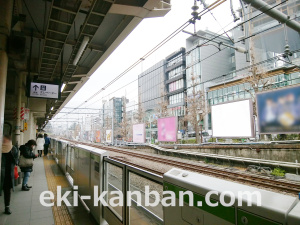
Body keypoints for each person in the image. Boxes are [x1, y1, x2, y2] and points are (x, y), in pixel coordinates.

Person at [0, 135, 19, 214]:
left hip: (8, 174)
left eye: (6, 140)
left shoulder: (13, 149)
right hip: (2, 173)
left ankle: (7, 206)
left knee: (7, 191)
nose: (5, 142)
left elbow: (16, 161)